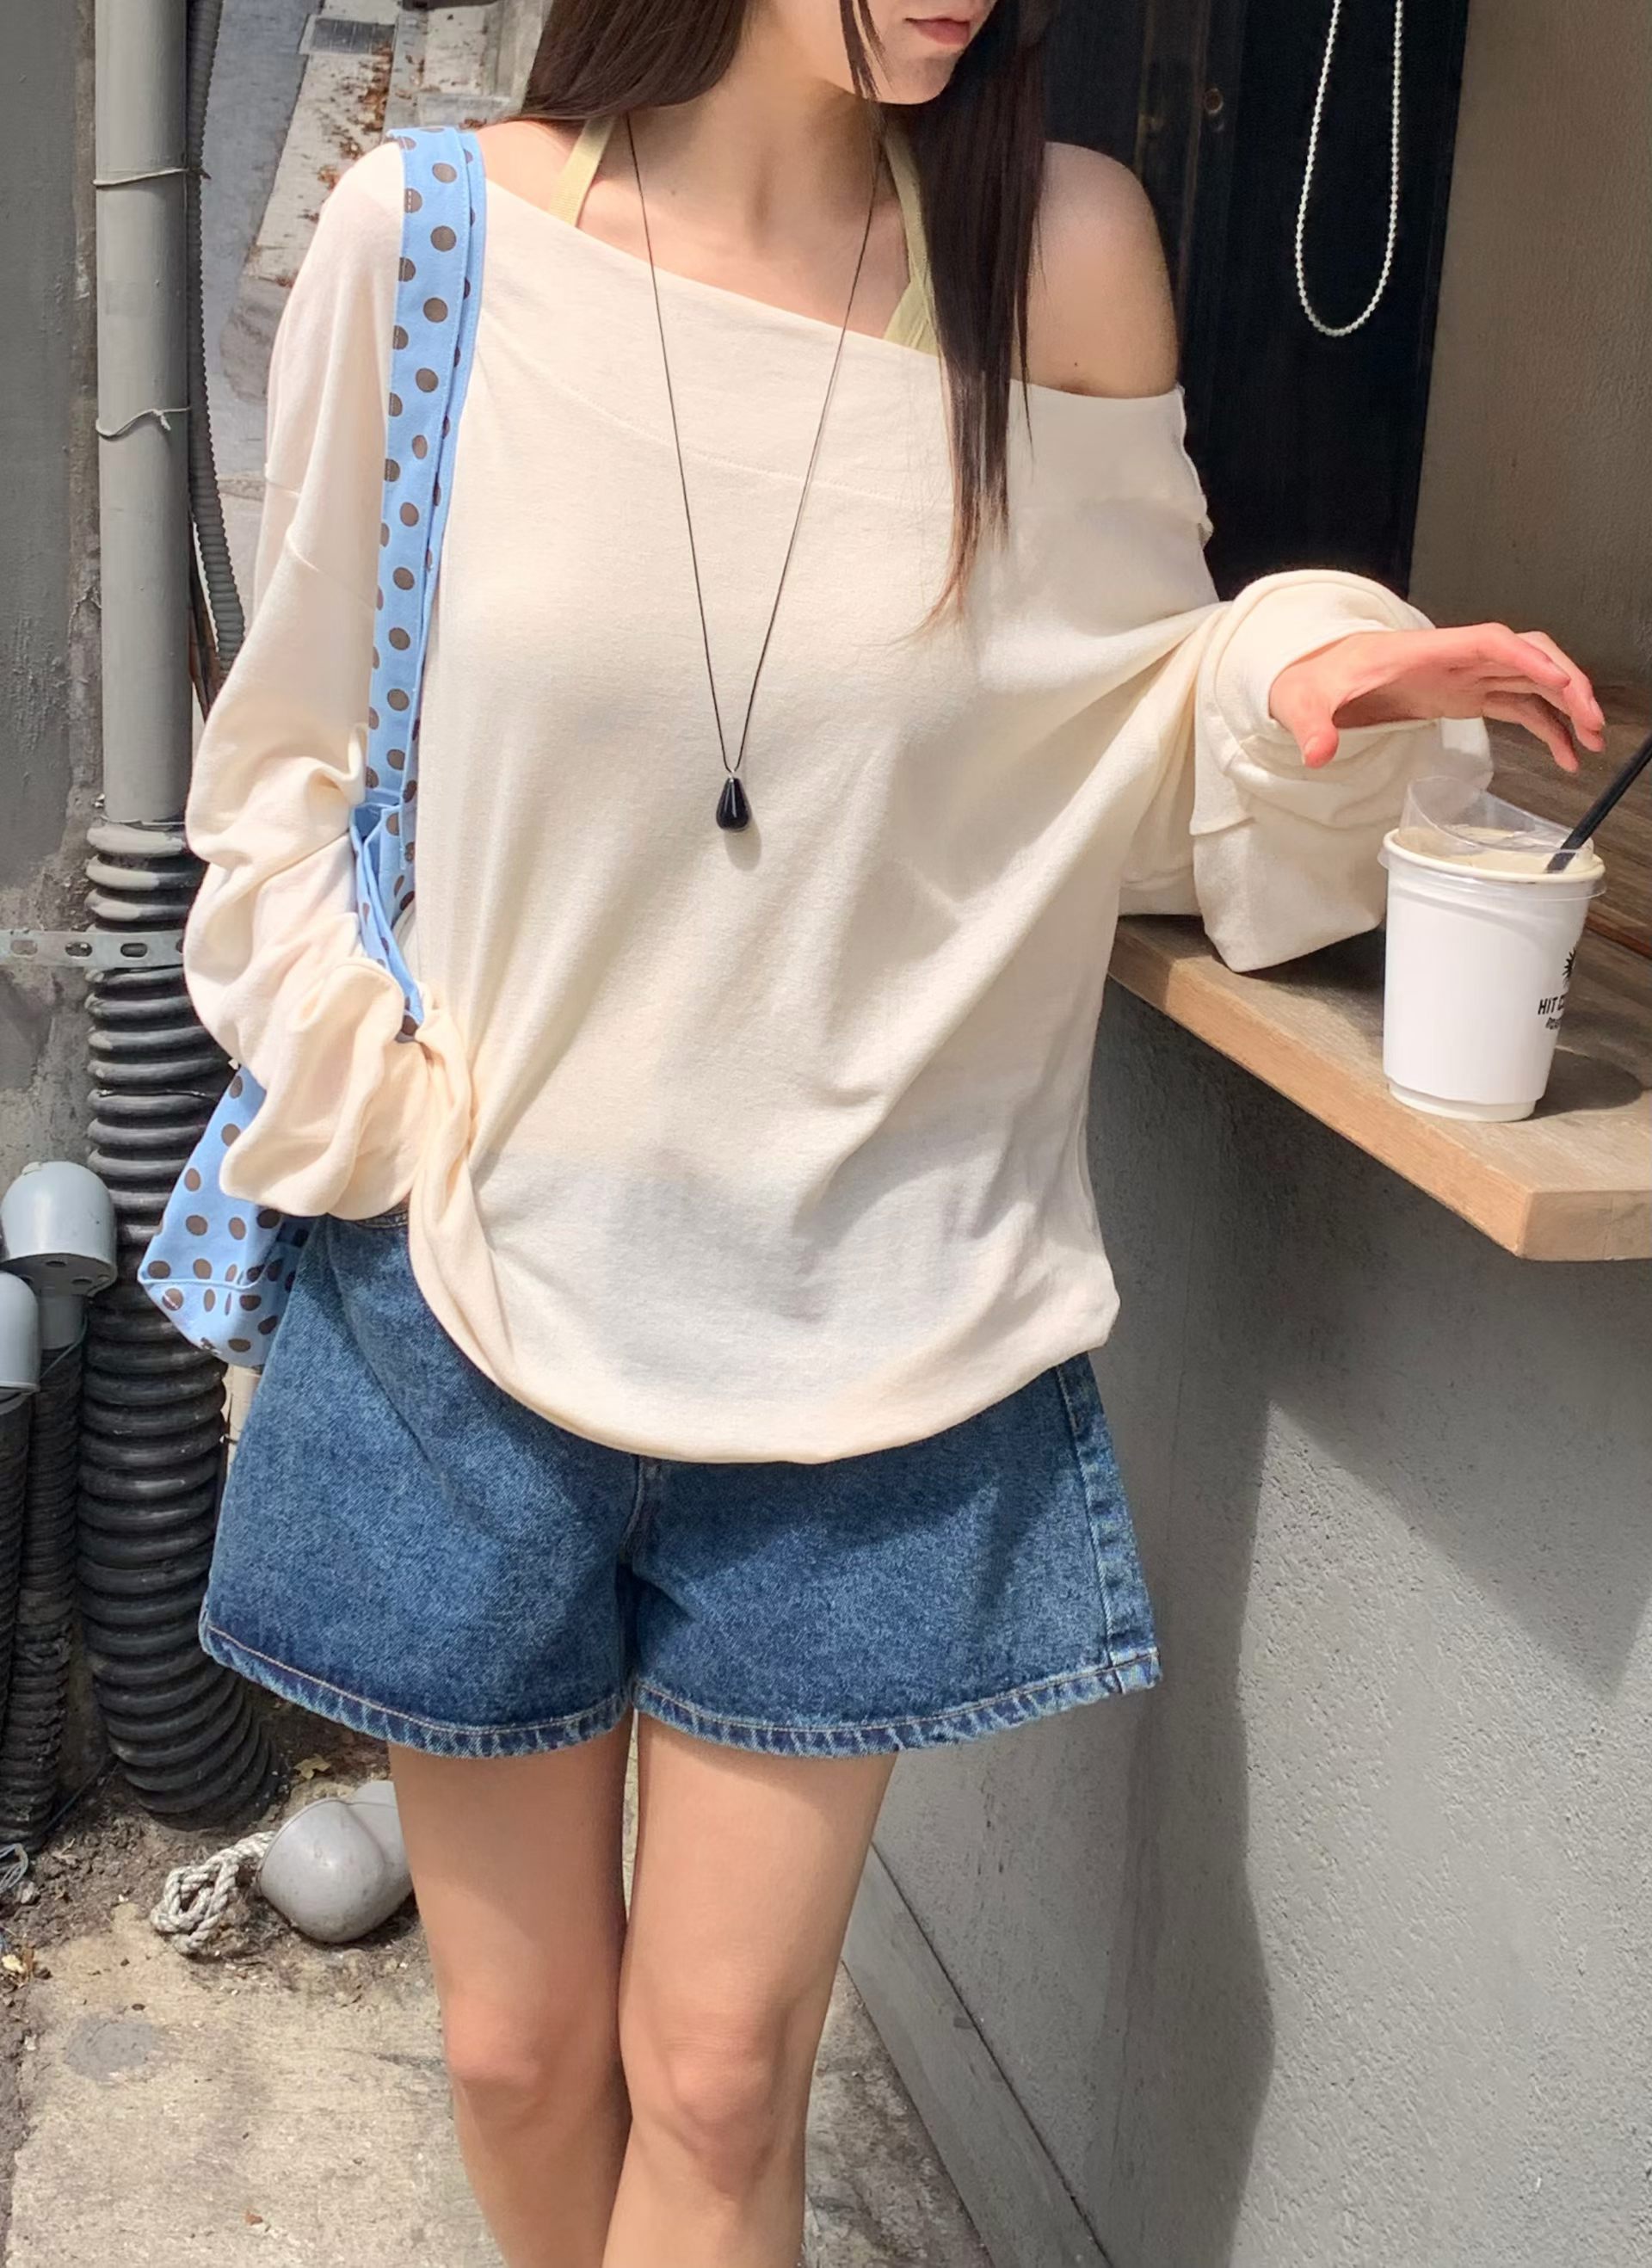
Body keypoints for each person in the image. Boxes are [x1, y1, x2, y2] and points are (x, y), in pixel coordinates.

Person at [180, 3, 1602, 2263]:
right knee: (518, 2049)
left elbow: (1124, 731)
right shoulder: (429, 238)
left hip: (866, 1319)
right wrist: (381, 1095)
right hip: (462, 1283)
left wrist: (1307, 671)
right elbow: (281, 769)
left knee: (721, 2075)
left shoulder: (1066, 257)